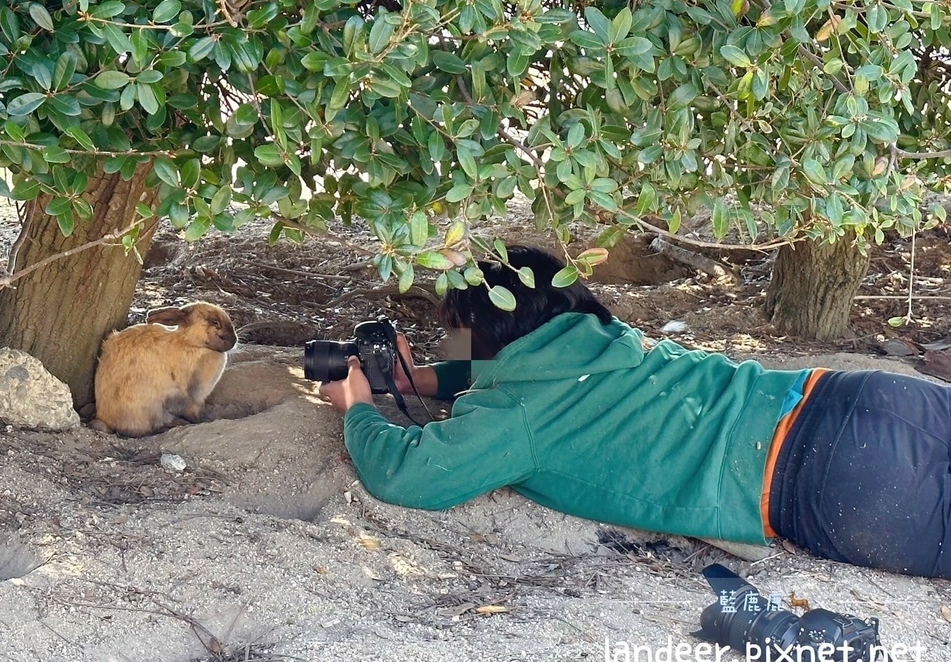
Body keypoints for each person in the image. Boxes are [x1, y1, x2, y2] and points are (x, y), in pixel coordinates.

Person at [319, 246, 951, 578]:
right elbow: (520, 362)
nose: (454, 346)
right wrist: (422, 377)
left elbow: (407, 476)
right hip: (855, 396)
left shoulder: (513, 415)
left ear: (489, 340)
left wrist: (359, 407)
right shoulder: (604, 337)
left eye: (457, 334)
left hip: (827, 482)